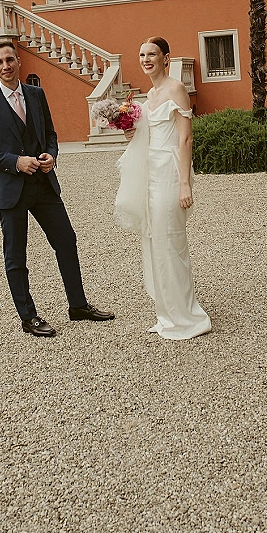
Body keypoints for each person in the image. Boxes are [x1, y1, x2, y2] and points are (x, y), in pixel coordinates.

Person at [0, 40, 114, 337]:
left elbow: (50, 134)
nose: (6, 66)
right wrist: (15, 161)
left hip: (44, 185)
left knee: (66, 240)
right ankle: (29, 317)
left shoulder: (36, 95)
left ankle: (78, 306)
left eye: (10, 59)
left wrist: (51, 155)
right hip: (12, 190)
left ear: (18, 62)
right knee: (16, 255)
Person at [114, 37, 211, 340]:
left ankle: (187, 317)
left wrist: (185, 183)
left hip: (170, 173)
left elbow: (185, 138)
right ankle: (166, 313)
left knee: (171, 242)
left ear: (165, 58)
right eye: (142, 54)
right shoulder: (149, 95)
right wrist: (131, 130)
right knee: (155, 242)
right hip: (150, 176)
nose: (146, 59)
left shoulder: (175, 89)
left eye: (152, 54)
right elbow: (145, 136)